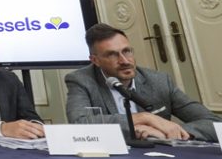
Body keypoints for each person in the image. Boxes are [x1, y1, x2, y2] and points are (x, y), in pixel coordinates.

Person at [65, 23, 221, 141]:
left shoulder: (158, 81)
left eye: (127, 51)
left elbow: (214, 123)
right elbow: (80, 123)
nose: (124, 60)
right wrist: (144, 118)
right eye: (112, 55)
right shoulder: (81, 80)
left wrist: (166, 131)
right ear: (95, 61)